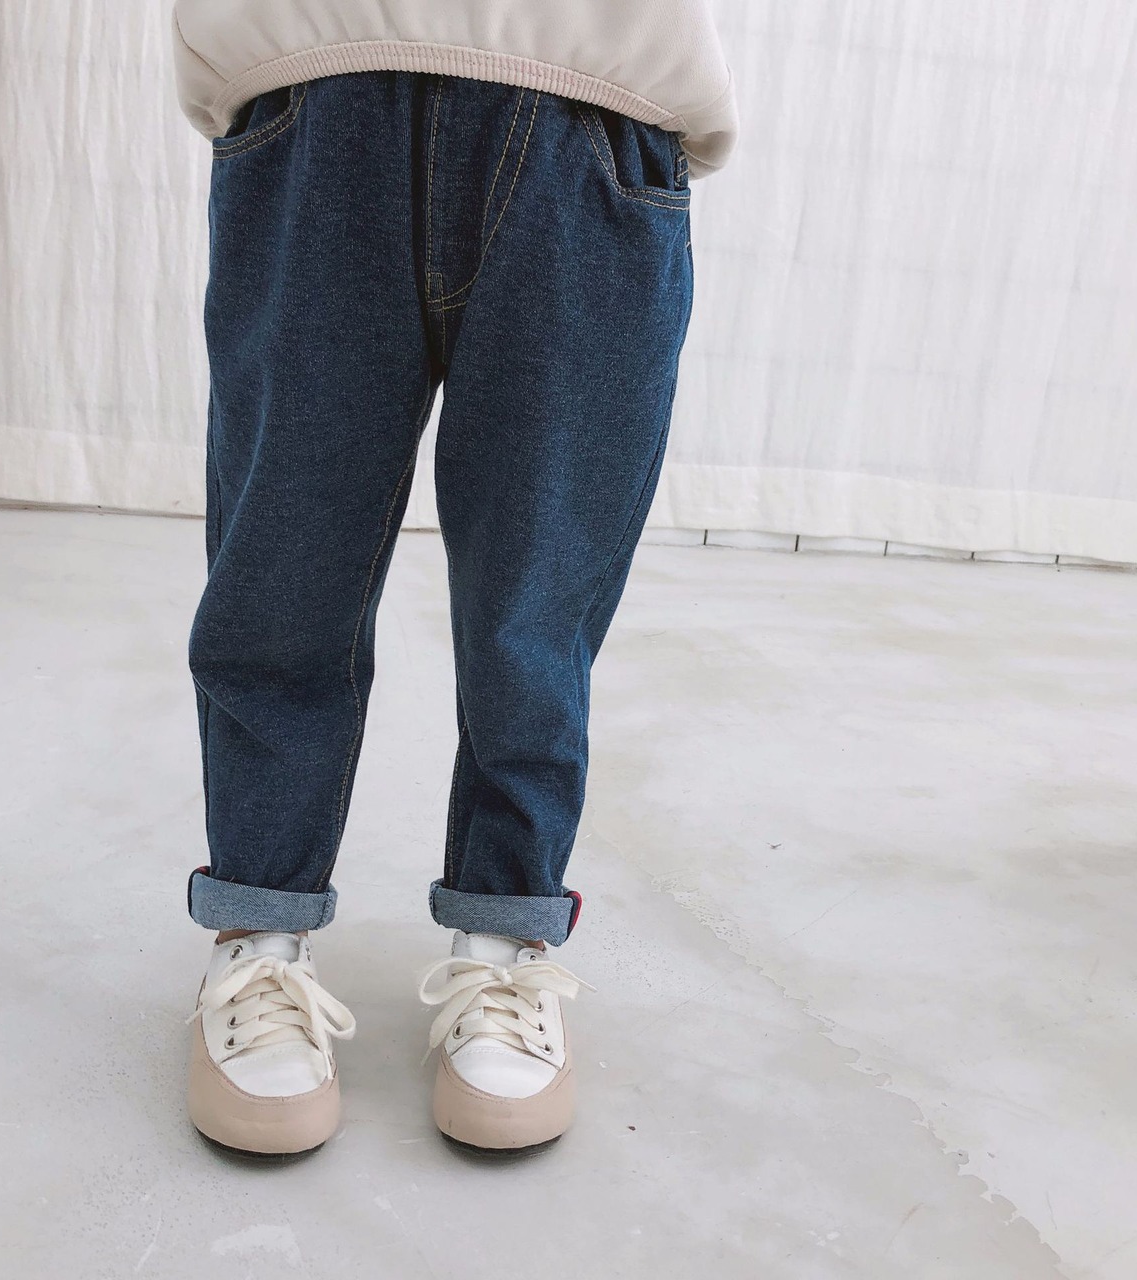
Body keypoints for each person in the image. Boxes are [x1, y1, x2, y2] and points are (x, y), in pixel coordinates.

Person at [171, 0, 738, 1156]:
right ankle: (256, 934)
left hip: (594, 100)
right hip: (312, 80)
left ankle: (503, 941)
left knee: (535, 606)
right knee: (281, 575)